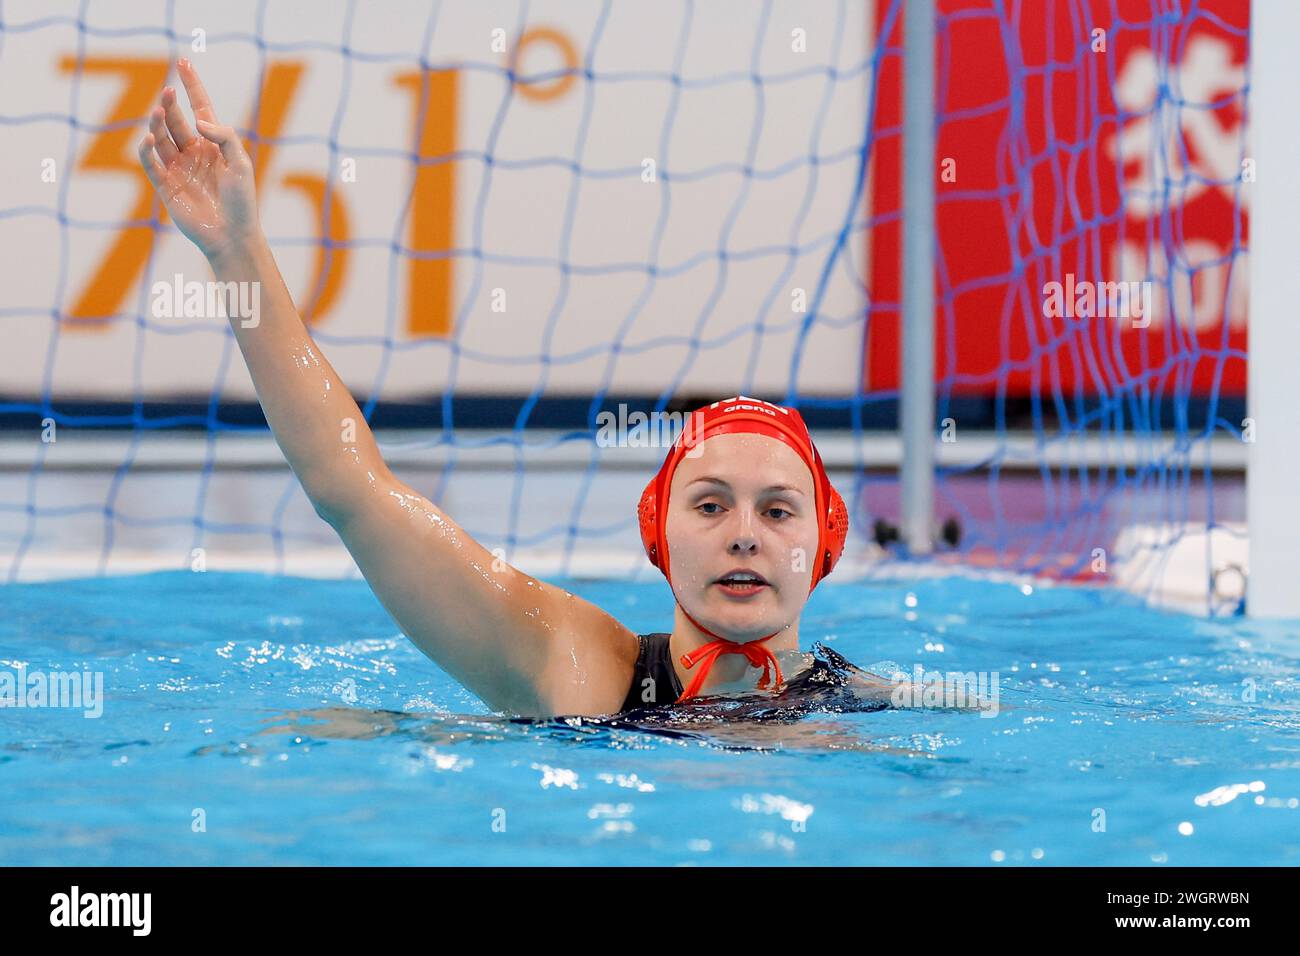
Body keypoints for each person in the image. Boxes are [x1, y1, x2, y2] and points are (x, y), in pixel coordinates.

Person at [136, 59, 861, 721]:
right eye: (710, 504)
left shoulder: (880, 713)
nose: (743, 534)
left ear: (827, 539)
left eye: (777, 511)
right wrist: (237, 251)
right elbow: (348, 487)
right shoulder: (574, 665)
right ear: (656, 531)